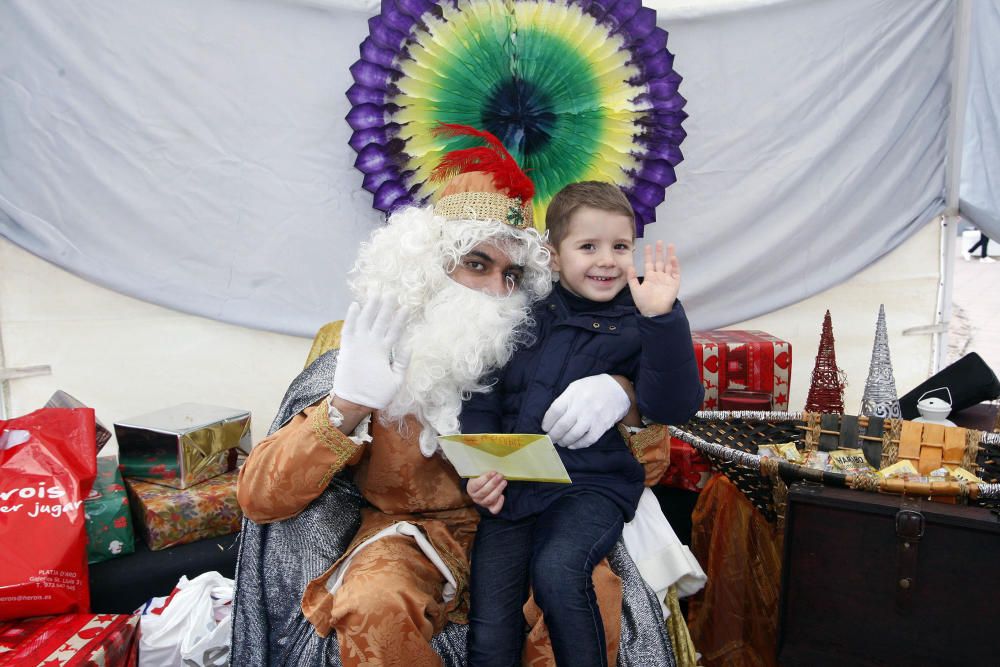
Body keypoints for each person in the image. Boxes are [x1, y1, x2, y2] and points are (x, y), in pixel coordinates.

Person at [234, 131, 682, 667]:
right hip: (412, 538)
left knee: (597, 596)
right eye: (477, 264)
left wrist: (623, 395)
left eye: (511, 274)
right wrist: (348, 403)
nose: (497, 290)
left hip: (534, 521)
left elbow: (648, 469)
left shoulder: (553, 352)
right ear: (429, 269)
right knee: (373, 603)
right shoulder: (368, 359)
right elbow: (260, 498)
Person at [461, 181, 704, 667]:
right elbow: (483, 395)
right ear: (553, 256)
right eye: (588, 247)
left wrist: (663, 319)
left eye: (620, 247)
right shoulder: (518, 316)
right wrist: (478, 470)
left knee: (558, 572)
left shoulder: (639, 323)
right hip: (515, 485)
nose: (607, 260)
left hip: (590, 485)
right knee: (489, 621)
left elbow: (672, 404)